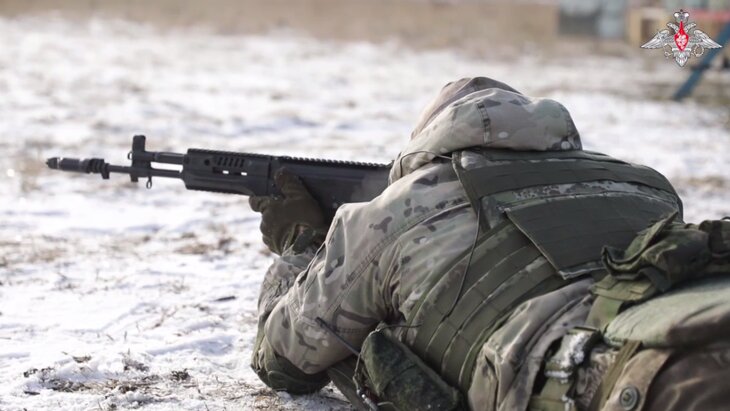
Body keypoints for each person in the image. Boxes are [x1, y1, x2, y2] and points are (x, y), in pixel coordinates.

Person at [248, 77, 730, 410]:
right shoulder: (645, 184)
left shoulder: (403, 205)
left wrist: (302, 245)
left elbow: (286, 360)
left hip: (610, 376)